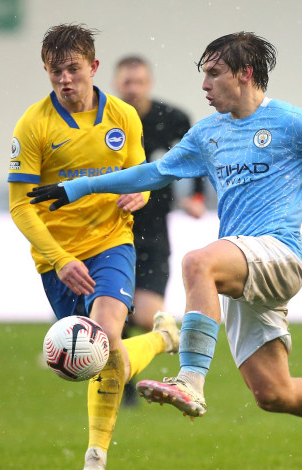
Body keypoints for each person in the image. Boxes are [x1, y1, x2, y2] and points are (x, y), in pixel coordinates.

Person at [28, 31, 302, 470]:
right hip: (242, 268)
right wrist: (77, 188)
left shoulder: (292, 122)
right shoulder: (208, 133)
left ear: (245, 74)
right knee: (274, 393)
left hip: (279, 254)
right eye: (202, 75)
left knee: (196, 263)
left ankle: (190, 380)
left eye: (214, 74)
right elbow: (152, 172)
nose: (204, 85)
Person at [7, 23, 180, 470]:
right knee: (91, 361)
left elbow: (139, 175)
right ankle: (164, 338)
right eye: (55, 71)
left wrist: (140, 194)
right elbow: (20, 205)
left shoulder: (122, 116)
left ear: (93, 67)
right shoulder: (34, 126)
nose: (65, 79)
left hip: (110, 244)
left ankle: (96, 455)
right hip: (57, 260)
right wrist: (60, 259)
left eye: (73, 69)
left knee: (104, 338)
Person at [112, 55, 204, 406]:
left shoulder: (172, 118)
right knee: (115, 311)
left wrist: (196, 196)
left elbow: (195, 156)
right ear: (117, 84)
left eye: (138, 82)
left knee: (146, 315)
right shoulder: (106, 120)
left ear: (148, 82)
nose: (132, 88)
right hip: (113, 228)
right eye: (126, 82)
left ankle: (128, 357)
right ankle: (122, 382)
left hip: (154, 230)